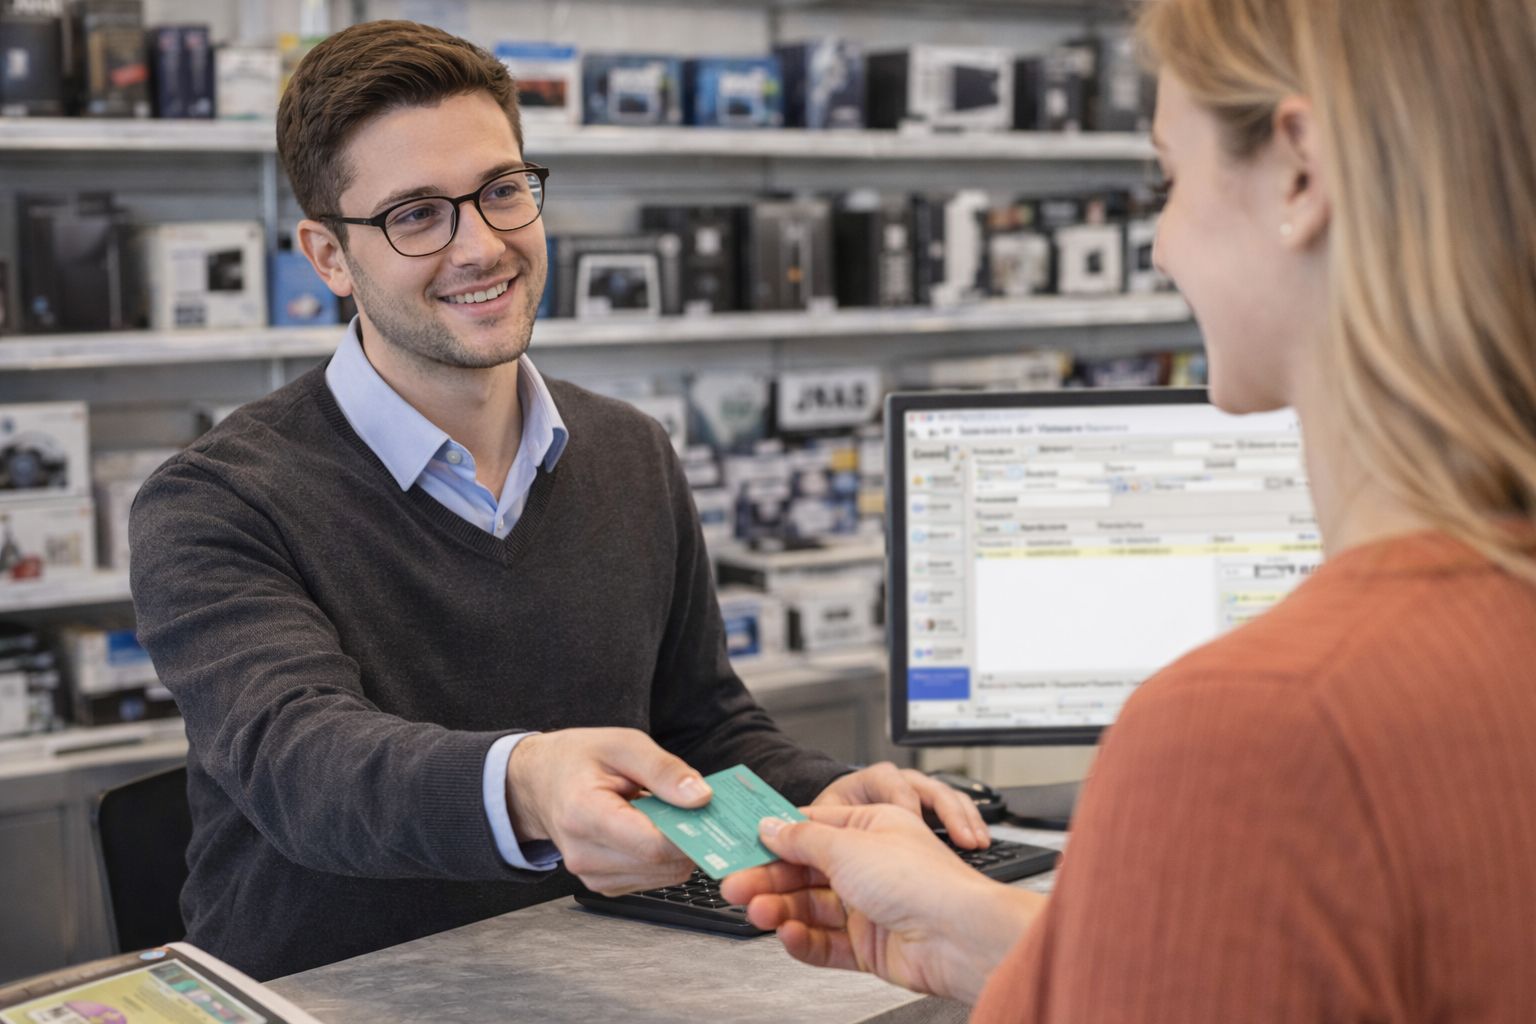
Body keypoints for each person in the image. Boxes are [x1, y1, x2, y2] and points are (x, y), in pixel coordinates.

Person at [722, 0, 1536, 1019]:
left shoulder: (1257, 728)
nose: (1159, 247)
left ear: (1300, 174)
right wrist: (1000, 937)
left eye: (1170, 179)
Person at [128, 20, 986, 982]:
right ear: (328, 256)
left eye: (501, 192)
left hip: (597, 976)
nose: (480, 246)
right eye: (416, 214)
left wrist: (828, 796)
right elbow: (303, 764)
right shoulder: (215, 501)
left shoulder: (627, 451)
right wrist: (529, 782)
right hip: (333, 996)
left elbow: (698, 726)